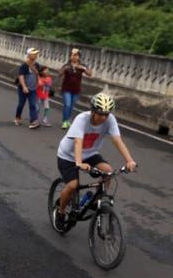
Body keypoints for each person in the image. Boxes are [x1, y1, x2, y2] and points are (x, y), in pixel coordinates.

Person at [53, 93, 137, 230]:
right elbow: (78, 141)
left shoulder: (110, 120)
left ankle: (95, 199)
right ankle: (61, 212)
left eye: (106, 114)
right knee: (73, 185)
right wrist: (79, 163)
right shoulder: (82, 119)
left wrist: (130, 161)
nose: (103, 117)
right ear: (92, 111)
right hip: (68, 155)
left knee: (108, 172)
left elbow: (117, 140)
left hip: (90, 154)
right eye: (100, 114)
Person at [57, 48, 93, 130]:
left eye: (76, 55)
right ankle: (65, 121)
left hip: (76, 89)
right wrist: (64, 70)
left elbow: (90, 74)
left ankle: (68, 120)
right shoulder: (67, 65)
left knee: (72, 106)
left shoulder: (82, 66)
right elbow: (59, 74)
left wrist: (83, 68)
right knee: (67, 104)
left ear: (79, 57)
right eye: (73, 55)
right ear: (70, 56)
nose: (74, 57)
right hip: (66, 88)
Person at [16, 47, 42, 129]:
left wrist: (39, 83)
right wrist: (24, 87)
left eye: (36, 54)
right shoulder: (24, 66)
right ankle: (18, 117)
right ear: (29, 55)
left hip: (33, 89)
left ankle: (33, 121)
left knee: (32, 105)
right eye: (34, 54)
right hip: (23, 89)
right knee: (21, 104)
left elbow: (37, 74)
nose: (36, 55)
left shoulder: (37, 65)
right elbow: (21, 77)